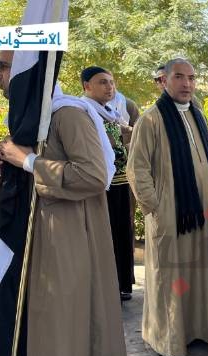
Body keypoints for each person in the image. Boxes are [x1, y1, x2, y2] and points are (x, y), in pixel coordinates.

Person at [0, 50, 130, 356]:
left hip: (66, 241)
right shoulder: (33, 115)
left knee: (59, 331)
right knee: (45, 329)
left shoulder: (67, 113)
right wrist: (8, 164)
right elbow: (36, 171)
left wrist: (28, 160)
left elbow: (93, 175)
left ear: (29, 69)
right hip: (39, 239)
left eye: (4, 66)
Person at [127, 58, 208, 356]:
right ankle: (168, 340)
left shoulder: (198, 114)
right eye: (180, 77)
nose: (187, 84)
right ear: (164, 81)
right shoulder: (151, 119)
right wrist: (156, 209)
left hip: (203, 214)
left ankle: (204, 330)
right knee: (171, 277)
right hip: (171, 216)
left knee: (202, 271)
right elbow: (137, 168)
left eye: (192, 78)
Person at [81, 66, 140, 301]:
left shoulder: (110, 112)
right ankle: (103, 288)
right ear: (87, 86)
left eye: (111, 82)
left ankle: (122, 284)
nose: (110, 87)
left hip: (121, 182)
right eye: (103, 82)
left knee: (123, 232)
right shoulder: (82, 112)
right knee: (102, 236)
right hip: (100, 185)